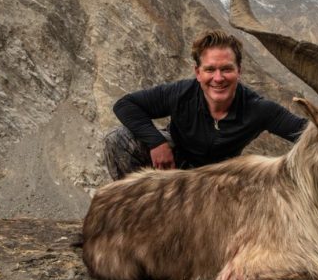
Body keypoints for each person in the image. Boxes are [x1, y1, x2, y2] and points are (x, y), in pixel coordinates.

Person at [103, 29, 307, 179]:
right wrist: (157, 142)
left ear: (239, 71)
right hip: (173, 167)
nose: (218, 78)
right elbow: (125, 104)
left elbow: (305, 131)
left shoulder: (259, 109)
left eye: (226, 69)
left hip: (219, 179)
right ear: (198, 73)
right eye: (210, 70)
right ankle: (140, 217)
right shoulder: (181, 93)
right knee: (118, 139)